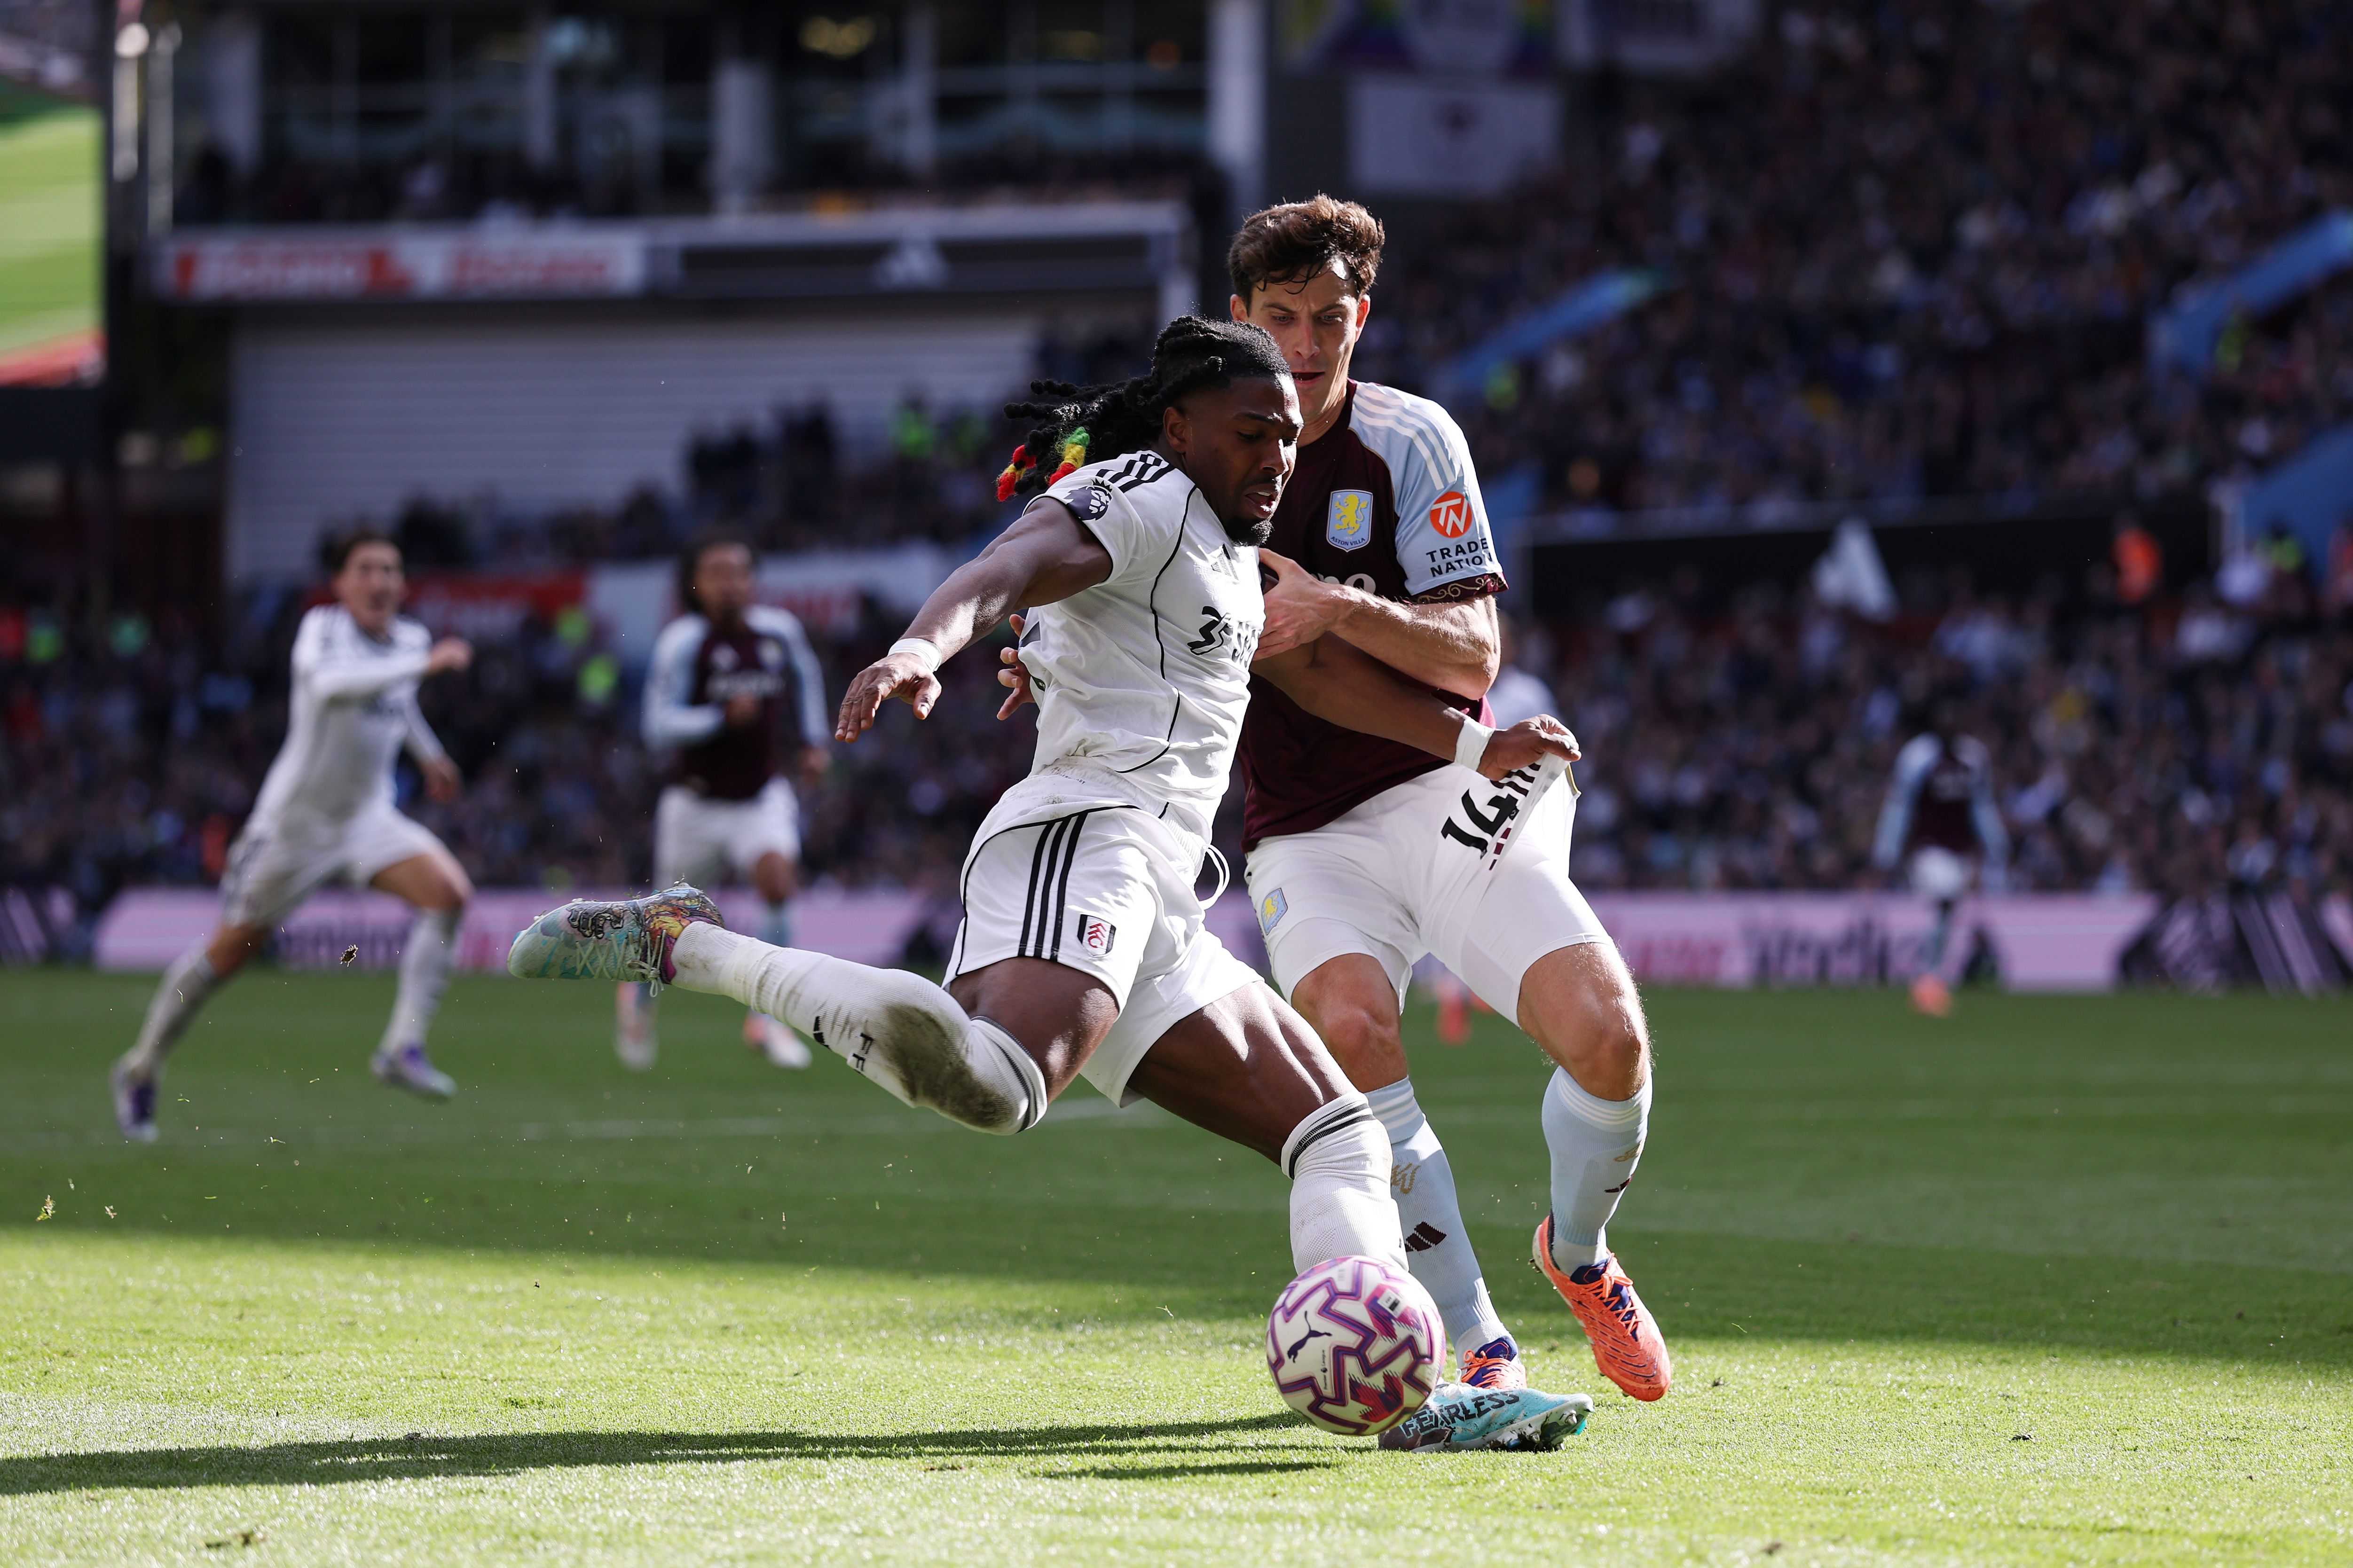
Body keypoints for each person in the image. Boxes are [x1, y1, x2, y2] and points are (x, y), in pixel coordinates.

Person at [509, 316, 1590, 1450]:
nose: (1277, 455)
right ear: (1179, 429)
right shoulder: (1139, 496)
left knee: (1340, 1134)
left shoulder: (1230, 545)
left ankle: (1402, 1392)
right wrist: (928, 646)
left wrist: (1473, 748)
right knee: (994, 1086)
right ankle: (686, 941)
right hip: (1089, 840)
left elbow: (1316, 676)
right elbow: (1005, 567)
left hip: (1166, 899)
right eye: (1251, 432)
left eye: (1286, 436)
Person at [1224, 196, 1669, 1403]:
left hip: (1441, 787)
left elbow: (1472, 652)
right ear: (1241, 318)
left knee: (1610, 1035)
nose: (1308, 344)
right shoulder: (1207, 465)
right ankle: (1476, 1344)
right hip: (1305, 834)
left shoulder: (1411, 440)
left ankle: (1578, 1255)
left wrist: (1338, 602)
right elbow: (1278, 663)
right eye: (1281, 318)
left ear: (1361, 317)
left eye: (1330, 318)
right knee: (1357, 1033)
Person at [110, 530, 476, 1140]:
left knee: (449, 896)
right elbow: (333, 687)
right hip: (294, 828)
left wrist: (430, 754)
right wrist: (426, 664)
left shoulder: (409, 640)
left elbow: (398, 699)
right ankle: (141, 1067)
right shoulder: (323, 631)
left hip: (367, 819)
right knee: (226, 956)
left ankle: (401, 1048)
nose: (379, 581)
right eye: (365, 569)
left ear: (403, 584)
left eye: (390, 569)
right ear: (340, 583)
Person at [623, 531, 830, 1070]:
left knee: (778, 884)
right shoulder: (683, 643)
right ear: (697, 585)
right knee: (668, 926)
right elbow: (655, 726)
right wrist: (719, 719)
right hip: (694, 807)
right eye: (716, 573)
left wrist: (812, 741)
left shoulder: (778, 632)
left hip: (759, 798)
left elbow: (806, 679)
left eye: (738, 572)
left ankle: (767, 1021)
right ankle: (639, 1000)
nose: (730, 584)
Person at [1872, 698, 2010, 1017]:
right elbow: (1900, 805)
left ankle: (1932, 977)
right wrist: (1887, 850)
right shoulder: (1917, 757)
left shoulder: (1973, 756)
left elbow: (1981, 805)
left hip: (1960, 850)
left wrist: (1995, 844)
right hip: (1928, 847)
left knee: (1946, 915)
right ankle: (1927, 981)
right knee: (1944, 900)